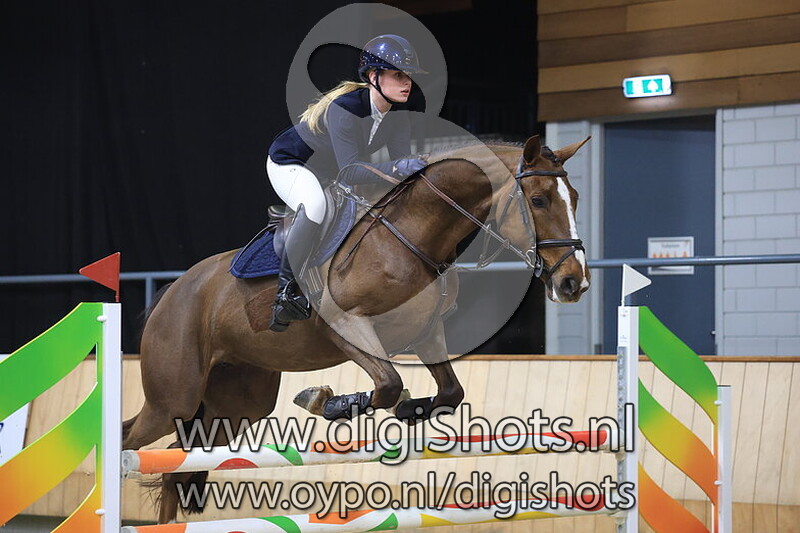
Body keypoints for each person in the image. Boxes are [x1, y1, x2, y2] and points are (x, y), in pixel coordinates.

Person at [266, 34, 428, 332]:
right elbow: (351, 172)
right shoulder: (345, 109)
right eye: (398, 75)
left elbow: (400, 170)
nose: (407, 82)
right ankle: (284, 294)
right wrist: (398, 167)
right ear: (373, 76)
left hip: (327, 171)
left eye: (409, 76)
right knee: (315, 205)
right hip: (290, 163)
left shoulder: (397, 117)